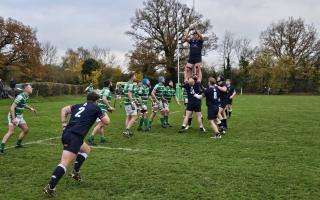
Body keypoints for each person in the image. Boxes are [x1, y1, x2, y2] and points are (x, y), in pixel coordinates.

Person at [43, 92, 109, 197]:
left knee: (86, 149)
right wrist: (104, 111)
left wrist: (64, 124)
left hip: (68, 134)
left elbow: (64, 109)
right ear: (96, 101)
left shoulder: (78, 105)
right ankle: (50, 187)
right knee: (64, 163)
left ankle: (75, 172)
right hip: (75, 137)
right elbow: (106, 121)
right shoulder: (96, 108)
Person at [0, 83, 37, 154]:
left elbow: (23, 104)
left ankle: (18, 144)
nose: (32, 88)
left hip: (20, 116)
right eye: (30, 87)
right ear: (26, 89)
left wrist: (31, 108)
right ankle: (1, 148)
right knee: (11, 132)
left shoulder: (26, 96)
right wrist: (13, 118)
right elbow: (12, 107)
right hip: (14, 116)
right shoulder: (20, 97)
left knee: (26, 129)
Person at [87, 80, 114, 145]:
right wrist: (109, 107)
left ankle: (102, 138)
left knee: (101, 124)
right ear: (109, 84)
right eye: (111, 83)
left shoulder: (102, 90)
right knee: (106, 122)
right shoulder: (107, 90)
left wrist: (108, 109)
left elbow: (100, 100)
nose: (112, 84)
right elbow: (104, 99)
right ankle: (91, 137)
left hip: (98, 108)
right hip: (101, 110)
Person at [179, 68, 205, 133]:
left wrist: (186, 70)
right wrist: (199, 69)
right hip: (197, 102)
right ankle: (201, 127)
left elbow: (186, 77)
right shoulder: (197, 84)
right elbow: (200, 77)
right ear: (194, 81)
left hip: (190, 102)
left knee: (187, 115)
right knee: (199, 116)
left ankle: (183, 126)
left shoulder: (187, 85)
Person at [122, 73, 137, 137]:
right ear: (132, 77)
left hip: (126, 103)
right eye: (134, 76)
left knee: (128, 117)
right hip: (129, 103)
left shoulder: (126, 84)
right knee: (134, 117)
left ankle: (126, 131)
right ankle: (127, 130)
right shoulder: (130, 84)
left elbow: (126, 93)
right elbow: (129, 94)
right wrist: (132, 103)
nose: (135, 77)